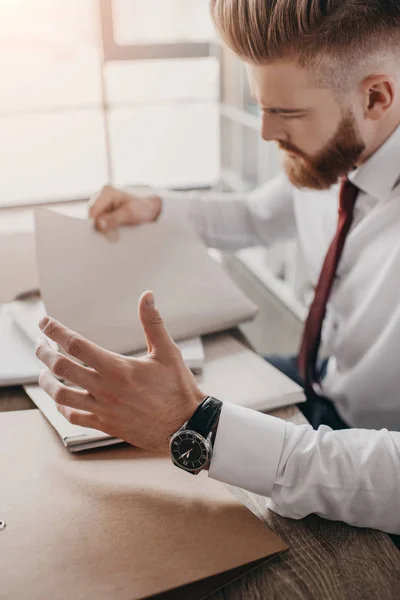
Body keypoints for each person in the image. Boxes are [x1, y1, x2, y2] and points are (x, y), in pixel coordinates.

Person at [36, 0, 400, 536]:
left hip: (369, 456)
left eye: (288, 114)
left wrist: (200, 425)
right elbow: (257, 216)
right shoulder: (339, 153)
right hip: (318, 380)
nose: (266, 133)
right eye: (262, 107)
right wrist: (155, 206)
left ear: (375, 97)